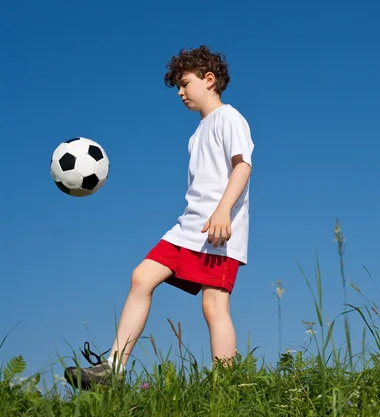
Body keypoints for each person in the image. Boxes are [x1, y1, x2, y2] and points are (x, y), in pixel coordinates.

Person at [64, 45, 254, 389]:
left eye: (185, 83)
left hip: (219, 232)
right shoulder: (197, 133)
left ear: (209, 80)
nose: (180, 92)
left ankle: (226, 388)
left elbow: (243, 166)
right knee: (142, 276)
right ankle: (113, 370)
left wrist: (224, 210)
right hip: (188, 227)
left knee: (213, 306)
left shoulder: (230, 119)